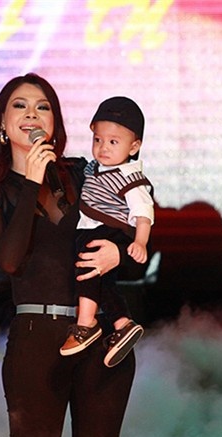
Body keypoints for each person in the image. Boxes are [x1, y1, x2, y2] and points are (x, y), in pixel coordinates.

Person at [0, 73, 135, 437]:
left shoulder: (83, 174)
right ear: (2, 122)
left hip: (101, 336)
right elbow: (10, 260)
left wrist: (118, 253)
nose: (32, 115)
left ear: (54, 123)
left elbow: (139, 236)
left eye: (43, 107)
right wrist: (31, 181)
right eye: (20, 106)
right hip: (37, 339)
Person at [60, 96, 153, 368]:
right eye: (98, 140)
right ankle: (123, 324)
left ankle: (86, 323)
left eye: (113, 142)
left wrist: (140, 242)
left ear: (134, 146)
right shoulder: (92, 168)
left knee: (87, 267)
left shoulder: (130, 178)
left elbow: (143, 214)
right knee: (103, 282)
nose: (103, 148)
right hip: (93, 230)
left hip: (109, 231)